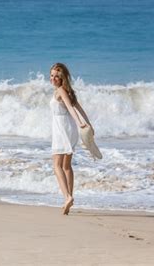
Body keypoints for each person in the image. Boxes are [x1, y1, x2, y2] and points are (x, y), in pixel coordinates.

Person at [49, 63, 93, 215]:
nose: (53, 78)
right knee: (66, 166)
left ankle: (67, 197)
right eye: (52, 75)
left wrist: (80, 123)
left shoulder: (60, 91)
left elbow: (71, 109)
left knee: (56, 166)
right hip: (68, 129)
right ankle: (69, 199)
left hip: (62, 129)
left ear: (62, 78)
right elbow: (79, 108)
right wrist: (88, 124)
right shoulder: (67, 91)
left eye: (57, 76)